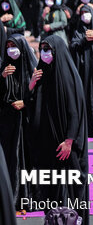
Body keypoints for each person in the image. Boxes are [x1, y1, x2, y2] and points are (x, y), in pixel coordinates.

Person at [27, 35, 89, 223]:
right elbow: (33, 108)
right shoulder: (42, 74)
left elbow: (74, 112)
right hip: (49, 144)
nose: (45, 53)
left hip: (66, 144)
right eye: (42, 49)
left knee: (71, 187)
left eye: (49, 49)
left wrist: (69, 141)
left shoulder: (67, 77)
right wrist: (31, 86)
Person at [0, 35, 36, 210]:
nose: (10, 50)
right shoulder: (4, 68)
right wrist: (2, 77)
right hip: (8, 124)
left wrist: (26, 103)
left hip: (27, 124)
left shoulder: (31, 70)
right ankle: (10, 197)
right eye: (7, 46)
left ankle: (28, 197)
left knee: (27, 160)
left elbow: (39, 97)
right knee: (10, 160)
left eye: (13, 46)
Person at [70, 5, 93, 137]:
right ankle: (90, 128)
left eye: (87, 12)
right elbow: (73, 46)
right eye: (82, 13)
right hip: (85, 70)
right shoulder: (79, 31)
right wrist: (83, 40)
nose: (85, 15)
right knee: (86, 96)